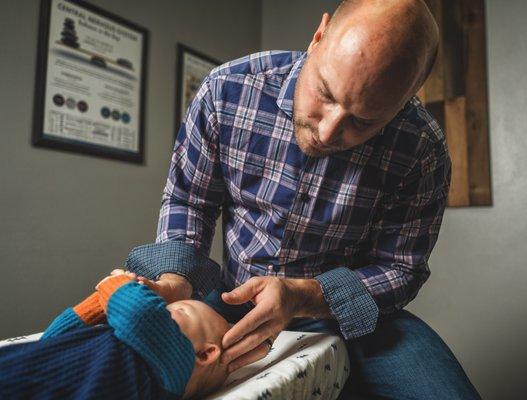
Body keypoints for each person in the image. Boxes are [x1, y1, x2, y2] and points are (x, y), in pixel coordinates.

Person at [124, 0, 482, 398]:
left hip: (353, 314)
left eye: (364, 121)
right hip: (233, 297)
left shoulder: (422, 149)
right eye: (325, 94)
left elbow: (401, 268)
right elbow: (190, 200)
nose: (329, 133)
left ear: (406, 100)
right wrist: (176, 280)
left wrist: (304, 296)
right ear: (318, 36)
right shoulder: (227, 90)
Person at [0, 271, 231, 399]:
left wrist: (118, 283)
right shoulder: (138, 343)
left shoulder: (174, 370)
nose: (164, 307)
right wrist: (98, 305)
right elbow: (52, 341)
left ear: (205, 354)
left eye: (180, 310)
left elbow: (139, 311)